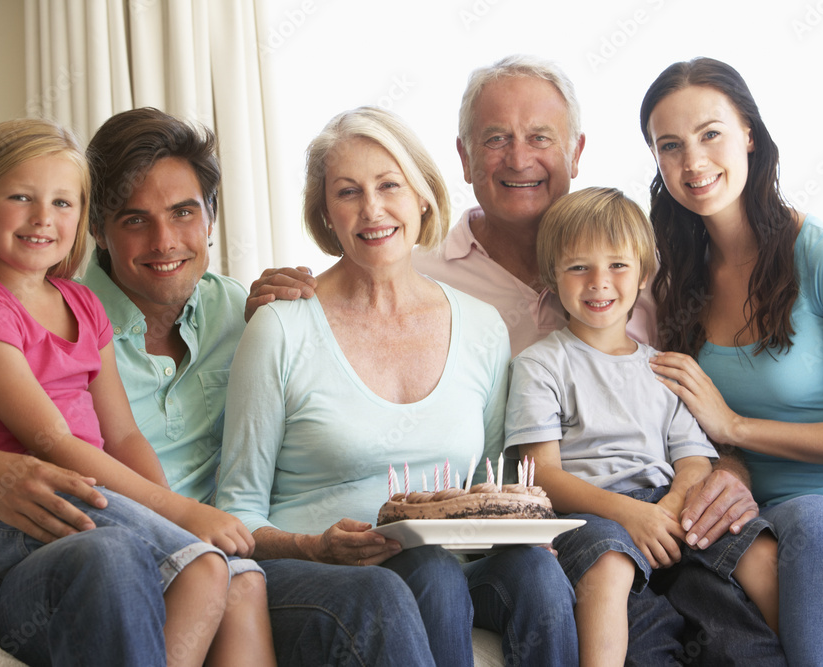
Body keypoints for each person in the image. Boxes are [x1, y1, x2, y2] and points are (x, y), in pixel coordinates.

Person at [247, 54, 783, 664]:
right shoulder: (409, 270)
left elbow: (698, 418)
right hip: (571, 524)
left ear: (576, 150)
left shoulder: (641, 273)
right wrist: (276, 301)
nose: (519, 157)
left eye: (540, 138)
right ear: (463, 156)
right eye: (496, 139)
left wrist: (727, 473)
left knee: (734, 607)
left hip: (631, 518)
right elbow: (345, 294)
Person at [0, 108, 436, 666]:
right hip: (75, 546)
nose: (165, 241)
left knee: (352, 592)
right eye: (135, 219)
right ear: (99, 229)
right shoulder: (0, 308)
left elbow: (328, 430)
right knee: (130, 559)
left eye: (184, 212)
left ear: (211, 217)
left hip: (219, 544)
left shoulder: (248, 313)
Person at [216, 106, 578, 667]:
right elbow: (236, 511)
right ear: (325, 214)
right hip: (317, 570)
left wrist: (523, 526)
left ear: (423, 197)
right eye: (347, 192)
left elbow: (491, 481)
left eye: (390, 185)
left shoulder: (481, 327)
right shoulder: (279, 328)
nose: (373, 209)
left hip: (449, 565)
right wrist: (316, 547)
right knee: (427, 570)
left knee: (537, 572)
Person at [0, 118, 273, 666]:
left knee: (224, 573)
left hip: (86, 492)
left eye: (63, 202)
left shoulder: (81, 305)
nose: (43, 219)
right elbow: (51, 440)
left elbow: (123, 434)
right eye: (20, 198)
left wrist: (175, 519)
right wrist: (179, 511)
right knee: (176, 562)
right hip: (14, 513)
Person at [640, 56, 823, 666]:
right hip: (784, 508)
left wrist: (735, 427)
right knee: (815, 521)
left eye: (711, 133)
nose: (694, 162)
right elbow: (690, 430)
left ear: (749, 136)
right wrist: (729, 462)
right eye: (670, 145)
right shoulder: (672, 281)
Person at [505, 187, 779, 665]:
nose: (599, 282)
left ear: (643, 275)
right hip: (591, 516)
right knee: (613, 567)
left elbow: (694, 459)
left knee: (752, 548)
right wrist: (630, 516)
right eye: (578, 267)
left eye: (617, 265)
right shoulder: (540, 365)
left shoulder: (664, 367)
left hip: (669, 509)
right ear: (552, 275)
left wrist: (671, 505)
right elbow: (541, 476)